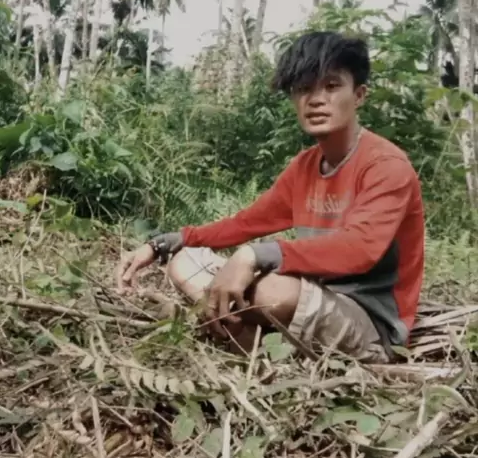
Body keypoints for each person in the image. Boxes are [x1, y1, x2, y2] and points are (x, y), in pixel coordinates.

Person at [116, 31, 425, 363]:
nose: (316, 99)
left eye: (331, 86)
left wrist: (255, 255)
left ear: (359, 95)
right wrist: (163, 243)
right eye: (303, 89)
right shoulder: (304, 167)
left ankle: (233, 328)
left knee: (269, 291)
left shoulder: (385, 165)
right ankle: (242, 331)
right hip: (313, 294)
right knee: (184, 260)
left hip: (371, 322)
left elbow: (361, 248)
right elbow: (244, 223)